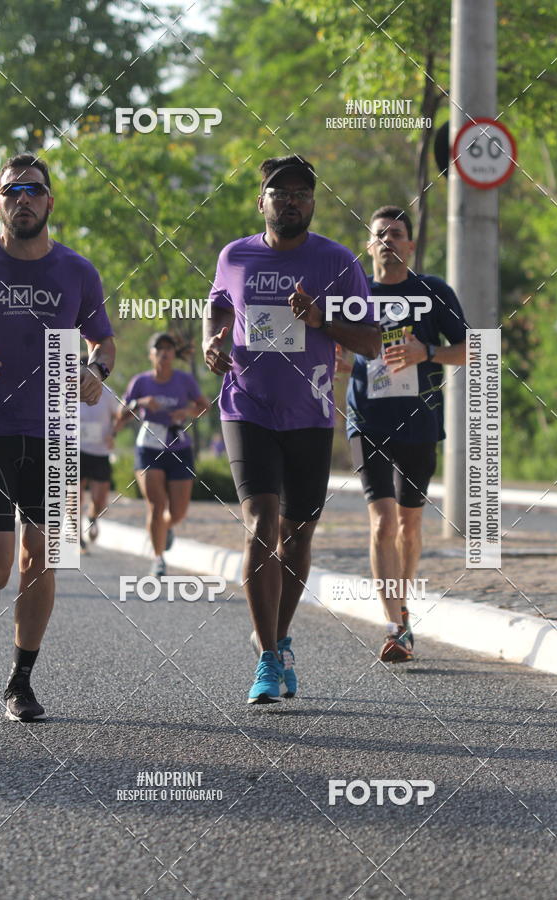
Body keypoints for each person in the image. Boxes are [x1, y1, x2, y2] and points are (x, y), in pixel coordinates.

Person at [203, 155, 380, 704]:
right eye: (281, 193)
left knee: (297, 534)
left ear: (313, 203)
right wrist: (213, 339)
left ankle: (280, 638)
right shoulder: (235, 256)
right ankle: (267, 659)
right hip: (246, 408)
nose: (292, 201)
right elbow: (217, 308)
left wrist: (321, 320)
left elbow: (374, 342)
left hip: (309, 413)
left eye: (303, 193)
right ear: (263, 203)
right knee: (261, 522)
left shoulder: (335, 261)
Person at [0, 153, 115, 720]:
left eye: (34, 190)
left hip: (56, 429)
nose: (24, 199)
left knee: (43, 557)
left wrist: (95, 372)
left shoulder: (78, 271)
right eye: (13, 191)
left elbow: (102, 344)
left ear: (50, 201)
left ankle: (20, 681)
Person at [346, 205, 467, 662]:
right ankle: (395, 625)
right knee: (381, 520)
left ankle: (404, 610)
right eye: (380, 235)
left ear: (411, 246)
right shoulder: (353, 293)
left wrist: (427, 352)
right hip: (367, 420)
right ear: (368, 245)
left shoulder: (433, 292)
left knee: (409, 525)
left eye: (397, 234)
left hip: (419, 421)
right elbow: (330, 336)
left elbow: (474, 349)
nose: (388, 241)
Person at [117, 332, 209, 577]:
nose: (164, 354)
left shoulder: (185, 380)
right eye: (159, 350)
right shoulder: (140, 382)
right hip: (148, 447)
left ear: (173, 355)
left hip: (179, 447)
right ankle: (158, 559)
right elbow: (121, 413)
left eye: (168, 349)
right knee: (156, 506)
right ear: (151, 355)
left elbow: (204, 407)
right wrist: (141, 403)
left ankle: (165, 528)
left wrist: (186, 412)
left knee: (178, 512)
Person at [79, 355, 120, 551]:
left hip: (100, 451)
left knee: (99, 498)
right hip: (75, 449)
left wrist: (113, 433)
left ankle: (93, 517)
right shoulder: (65, 391)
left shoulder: (108, 393)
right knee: (74, 495)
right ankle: (77, 535)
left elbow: (118, 417)